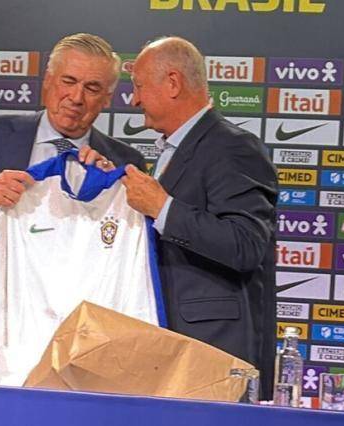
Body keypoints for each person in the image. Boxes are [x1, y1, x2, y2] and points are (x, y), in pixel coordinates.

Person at [0, 33, 146, 382]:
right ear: (48, 81)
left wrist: (109, 189)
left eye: (92, 88)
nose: (76, 97)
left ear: (107, 98)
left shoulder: (124, 163)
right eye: (68, 81)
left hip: (82, 349)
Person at [121, 36, 278, 399]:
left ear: (173, 83)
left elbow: (245, 244)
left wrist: (163, 207)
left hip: (214, 353)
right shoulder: (175, 150)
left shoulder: (232, 146)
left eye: (139, 86)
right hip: (172, 348)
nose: (134, 100)